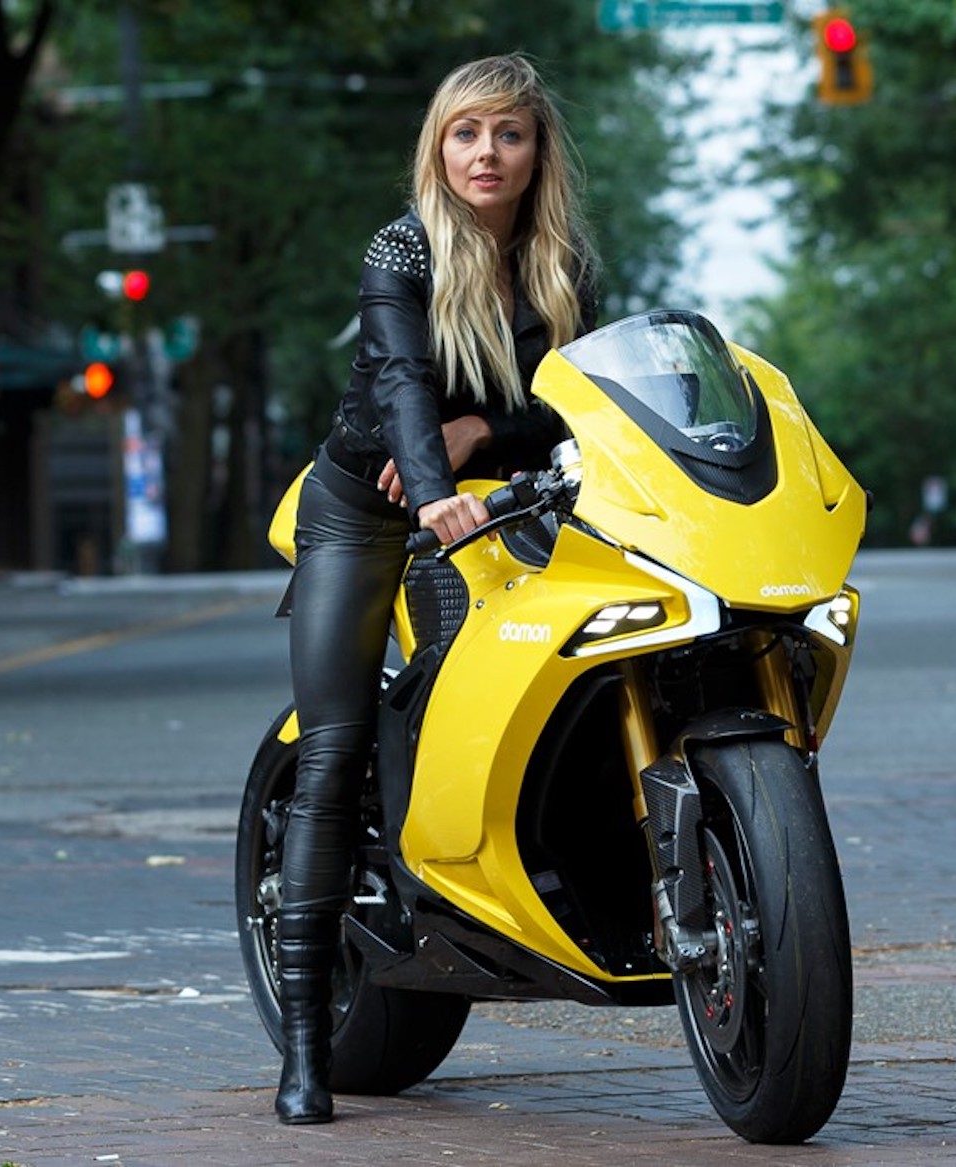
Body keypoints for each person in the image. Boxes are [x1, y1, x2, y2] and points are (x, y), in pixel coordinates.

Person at [272, 53, 598, 1125]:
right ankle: (306, 1047)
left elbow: (579, 402)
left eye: (507, 134)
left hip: (497, 503)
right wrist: (427, 484)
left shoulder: (561, 263)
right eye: (465, 134)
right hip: (366, 506)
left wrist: (483, 436)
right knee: (333, 748)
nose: (485, 154)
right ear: (437, 148)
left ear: (535, 149)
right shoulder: (401, 247)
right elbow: (403, 378)